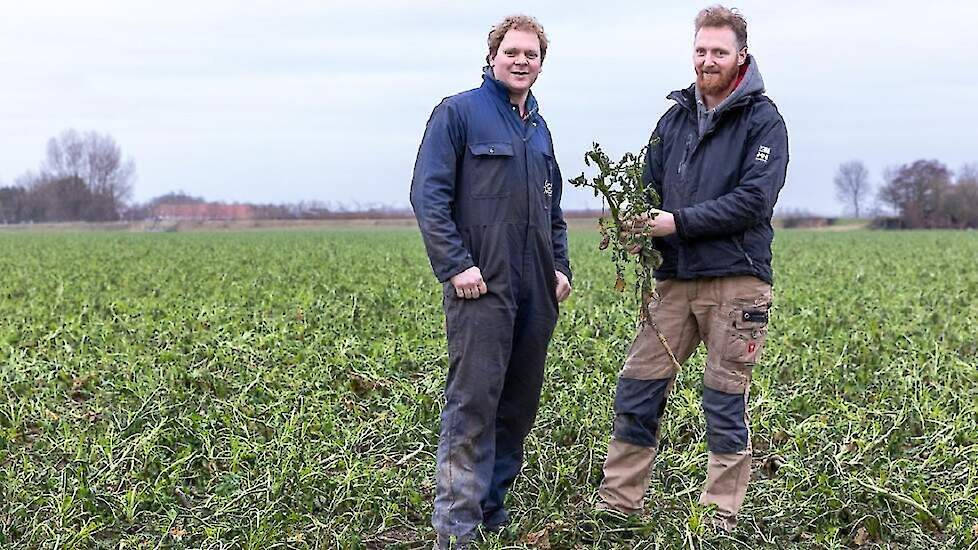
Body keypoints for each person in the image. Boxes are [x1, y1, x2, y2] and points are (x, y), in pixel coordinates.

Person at [595, 5, 788, 533]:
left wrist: (674, 223)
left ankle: (718, 516)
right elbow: (648, 184)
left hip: (737, 279)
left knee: (724, 397)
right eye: (701, 50)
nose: (708, 60)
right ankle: (619, 504)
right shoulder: (674, 117)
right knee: (638, 386)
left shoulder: (763, 121)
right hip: (674, 279)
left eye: (719, 52)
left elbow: (753, 201)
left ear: (741, 56)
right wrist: (634, 223)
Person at [409, 14, 572, 548]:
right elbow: (428, 197)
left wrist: (560, 267)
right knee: (474, 403)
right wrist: (456, 264)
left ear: (541, 63)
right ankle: (455, 530)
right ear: (492, 55)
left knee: (518, 404)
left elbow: (553, 210)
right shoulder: (457, 114)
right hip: (480, 288)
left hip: (534, 291)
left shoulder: (539, 128)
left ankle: (491, 511)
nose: (521, 61)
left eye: (531, 55)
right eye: (513, 52)